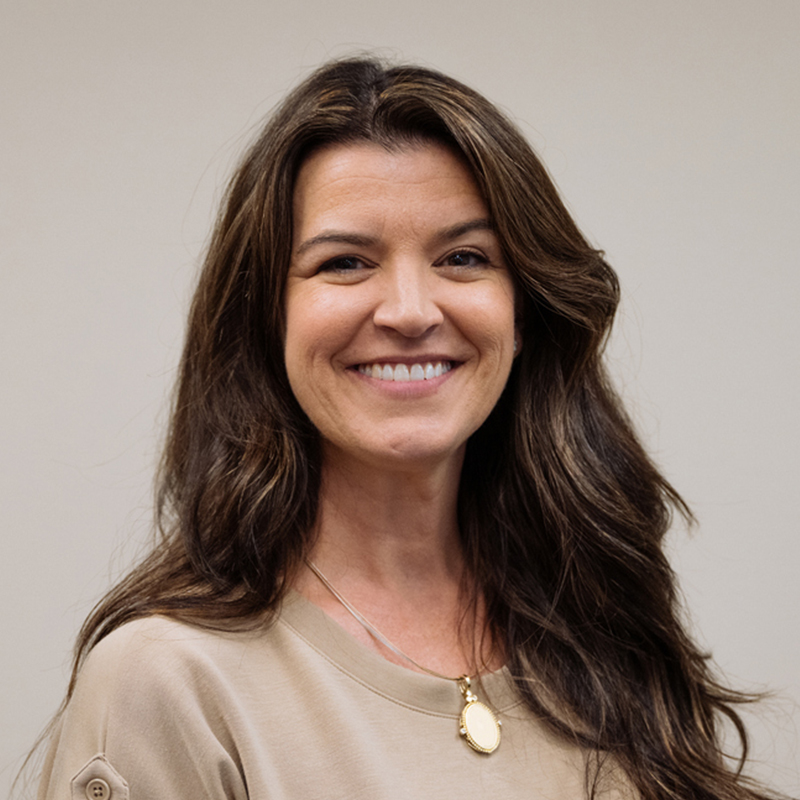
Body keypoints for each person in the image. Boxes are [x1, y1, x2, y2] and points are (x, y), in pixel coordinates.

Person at [34, 57, 783, 800]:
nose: (410, 311)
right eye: (346, 262)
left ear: (524, 313)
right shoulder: (166, 683)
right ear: (265, 319)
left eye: (463, 258)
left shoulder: (600, 627)